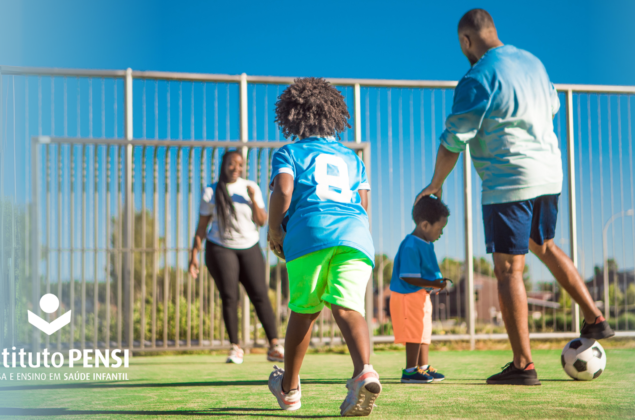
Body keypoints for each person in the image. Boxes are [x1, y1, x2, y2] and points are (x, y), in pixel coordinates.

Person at [415, 8, 615, 386]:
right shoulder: (534, 63)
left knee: (509, 269)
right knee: (546, 245)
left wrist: (435, 183)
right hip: (549, 173)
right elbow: (553, 106)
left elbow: (454, 139)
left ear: (466, 41)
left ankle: (523, 365)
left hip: (509, 180)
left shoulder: (477, 77)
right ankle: (595, 317)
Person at [266, 77, 381, 416]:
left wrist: (275, 231)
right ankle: (365, 371)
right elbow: (363, 201)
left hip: (310, 233)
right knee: (348, 308)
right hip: (357, 235)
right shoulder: (352, 158)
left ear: (291, 117)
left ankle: (289, 390)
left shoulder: (289, 151)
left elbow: (284, 191)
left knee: (304, 311)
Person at [188, 150, 284, 365]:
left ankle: (274, 345)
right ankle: (235, 347)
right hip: (220, 248)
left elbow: (261, 221)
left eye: (239, 165)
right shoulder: (211, 191)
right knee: (230, 296)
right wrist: (194, 254)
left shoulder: (250, 187)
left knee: (260, 293)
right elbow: (202, 227)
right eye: (232, 164)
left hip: (249, 246)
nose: (235, 168)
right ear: (224, 165)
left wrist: (252, 199)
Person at [389, 195, 450, 384]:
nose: (441, 233)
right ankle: (409, 371)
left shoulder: (426, 243)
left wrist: (434, 284)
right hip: (408, 295)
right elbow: (408, 276)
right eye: (439, 229)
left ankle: (422, 368)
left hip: (420, 296)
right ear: (425, 225)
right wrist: (434, 284)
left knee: (423, 331)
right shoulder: (411, 245)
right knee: (414, 331)